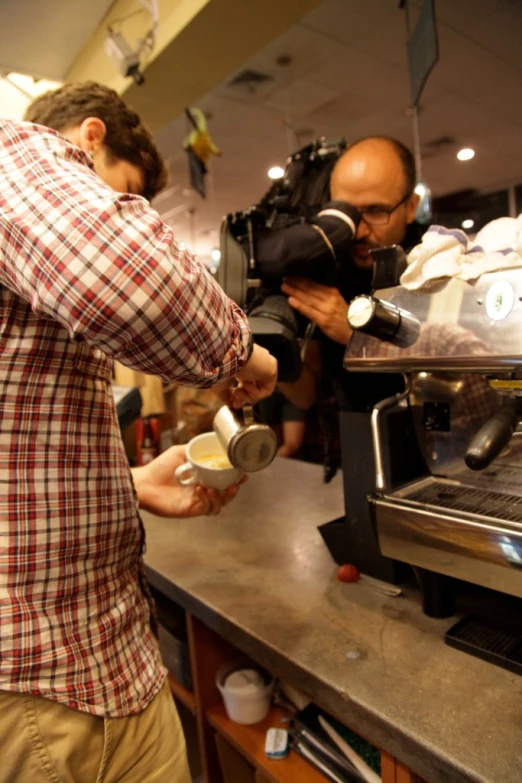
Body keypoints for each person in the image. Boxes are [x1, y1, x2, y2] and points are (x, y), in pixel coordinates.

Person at [0, 81, 277, 783]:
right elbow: (132, 284)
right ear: (89, 138)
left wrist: (128, 483)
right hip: (52, 679)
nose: (122, 215)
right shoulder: (18, 153)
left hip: (99, 662)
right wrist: (243, 352)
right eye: (121, 194)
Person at [278, 136, 423, 426]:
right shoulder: (327, 269)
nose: (356, 230)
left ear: (410, 207)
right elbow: (306, 395)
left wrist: (353, 335)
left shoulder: (436, 265)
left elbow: (452, 379)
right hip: (355, 436)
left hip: (430, 438)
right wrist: (268, 347)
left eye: (376, 211)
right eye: (343, 212)